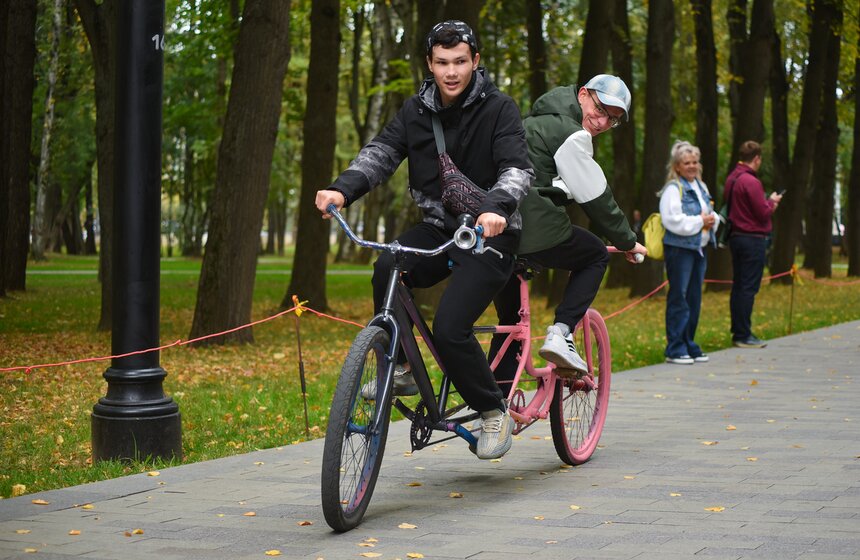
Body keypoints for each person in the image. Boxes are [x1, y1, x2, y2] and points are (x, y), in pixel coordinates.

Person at [315, 20, 534, 460]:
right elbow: (381, 153)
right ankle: (399, 366)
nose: (451, 72)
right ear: (429, 64)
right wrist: (343, 188)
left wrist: (496, 208)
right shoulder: (415, 111)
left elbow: (517, 169)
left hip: (490, 235)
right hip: (439, 228)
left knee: (450, 327)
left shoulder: (499, 108)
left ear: (475, 60)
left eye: (459, 62)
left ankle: (493, 411)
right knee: (388, 265)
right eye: (441, 63)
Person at [490, 75, 647, 380]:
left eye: (611, 120)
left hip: (498, 225)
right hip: (532, 227)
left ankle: (495, 404)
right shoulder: (571, 133)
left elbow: (543, 178)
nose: (601, 123)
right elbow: (597, 197)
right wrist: (627, 240)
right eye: (600, 110)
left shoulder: (531, 122)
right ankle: (562, 333)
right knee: (595, 255)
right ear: (583, 94)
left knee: (510, 321)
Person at [659, 141, 718, 365]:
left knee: (694, 298)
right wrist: (700, 221)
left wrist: (713, 220)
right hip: (680, 250)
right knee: (679, 297)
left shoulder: (701, 187)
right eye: (687, 163)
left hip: (698, 249)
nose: (692, 166)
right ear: (677, 166)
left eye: (695, 162)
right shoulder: (673, 189)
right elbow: (672, 220)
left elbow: (709, 211)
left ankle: (688, 343)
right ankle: (675, 347)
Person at [725, 140, 782, 348]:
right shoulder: (751, 181)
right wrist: (772, 202)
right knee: (749, 287)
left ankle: (738, 330)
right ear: (757, 158)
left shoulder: (732, 178)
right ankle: (743, 334)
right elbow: (763, 212)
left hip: (736, 237)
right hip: (752, 239)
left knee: (738, 285)